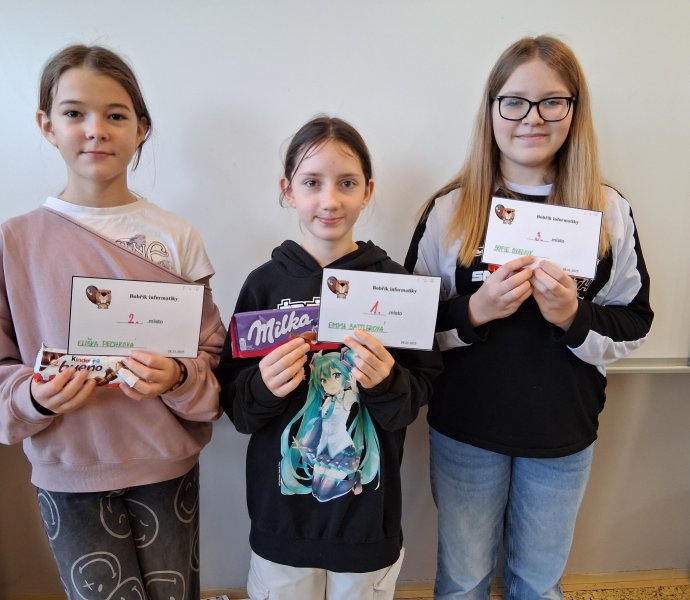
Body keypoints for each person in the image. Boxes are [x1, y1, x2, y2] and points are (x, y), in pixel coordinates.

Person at [404, 36, 653, 600]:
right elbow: (407, 324)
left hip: (562, 432)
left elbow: (635, 322)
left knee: (538, 584)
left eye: (552, 102)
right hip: (465, 429)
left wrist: (573, 317)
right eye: (514, 101)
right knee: (462, 580)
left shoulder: (608, 211)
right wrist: (474, 311)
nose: (532, 118)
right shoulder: (450, 208)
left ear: (574, 111)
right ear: (491, 109)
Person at [0, 45, 225, 600]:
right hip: (68, 468)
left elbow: (212, 354)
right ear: (47, 125)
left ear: (141, 128)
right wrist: (35, 397)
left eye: (116, 115)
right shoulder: (14, 243)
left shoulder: (177, 237)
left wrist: (177, 377)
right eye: (74, 113)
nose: (95, 130)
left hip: (165, 465)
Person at [217, 116, 442, 600]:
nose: (330, 200)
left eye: (346, 183)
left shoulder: (396, 285)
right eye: (312, 182)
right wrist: (262, 386)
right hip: (281, 523)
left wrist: (387, 381)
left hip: (366, 523)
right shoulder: (263, 284)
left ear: (368, 191)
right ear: (287, 190)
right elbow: (237, 407)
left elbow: (419, 395)